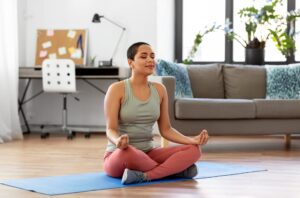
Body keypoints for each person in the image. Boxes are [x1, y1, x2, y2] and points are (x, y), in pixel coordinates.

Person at [103, 42, 209, 185]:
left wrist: (192, 140)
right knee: (129, 153)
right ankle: (175, 171)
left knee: (194, 150)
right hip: (121, 155)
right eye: (144, 56)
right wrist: (118, 141)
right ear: (131, 62)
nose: (150, 60)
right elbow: (111, 129)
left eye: (152, 56)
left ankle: (146, 176)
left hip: (149, 153)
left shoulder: (160, 90)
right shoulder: (116, 89)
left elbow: (166, 129)